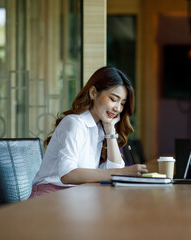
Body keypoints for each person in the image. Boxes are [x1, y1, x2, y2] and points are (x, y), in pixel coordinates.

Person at [30, 66, 148, 197]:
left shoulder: (99, 128)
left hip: (76, 196)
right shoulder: (75, 123)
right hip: (48, 197)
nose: (118, 108)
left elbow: (114, 172)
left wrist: (110, 130)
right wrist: (121, 172)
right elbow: (67, 175)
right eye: (113, 99)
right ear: (93, 93)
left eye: (122, 103)